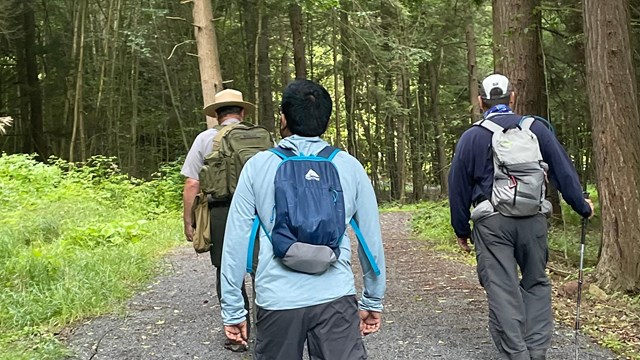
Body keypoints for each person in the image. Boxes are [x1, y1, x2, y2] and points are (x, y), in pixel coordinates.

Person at [219, 79, 386, 359]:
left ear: (283, 118)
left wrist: (234, 308)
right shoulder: (348, 166)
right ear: (326, 120)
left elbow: (235, 242)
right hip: (335, 295)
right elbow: (370, 240)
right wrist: (373, 299)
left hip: (277, 299)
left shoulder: (258, 167)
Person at [448, 73, 594, 360]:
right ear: (512, 98)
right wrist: (582, 206)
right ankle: (536, 350)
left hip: (492, 224)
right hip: (533, 220)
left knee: (503, 289)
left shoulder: (472, 137)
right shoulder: (536, 129)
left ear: (481, 102)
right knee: (536, 282)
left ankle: (516, 354)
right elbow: (564, 172)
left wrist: (461, 229)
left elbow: (457, 186)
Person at [181, 88, 254, 352]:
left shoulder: (206, 138)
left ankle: (237, 333)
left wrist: (189, 221)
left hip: (222, 211)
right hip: (259, 211)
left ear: (216, 115)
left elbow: (192, 183)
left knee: (227, 269)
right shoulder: (258, 137)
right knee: (262, 268)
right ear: (242, 112)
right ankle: (271, 329)